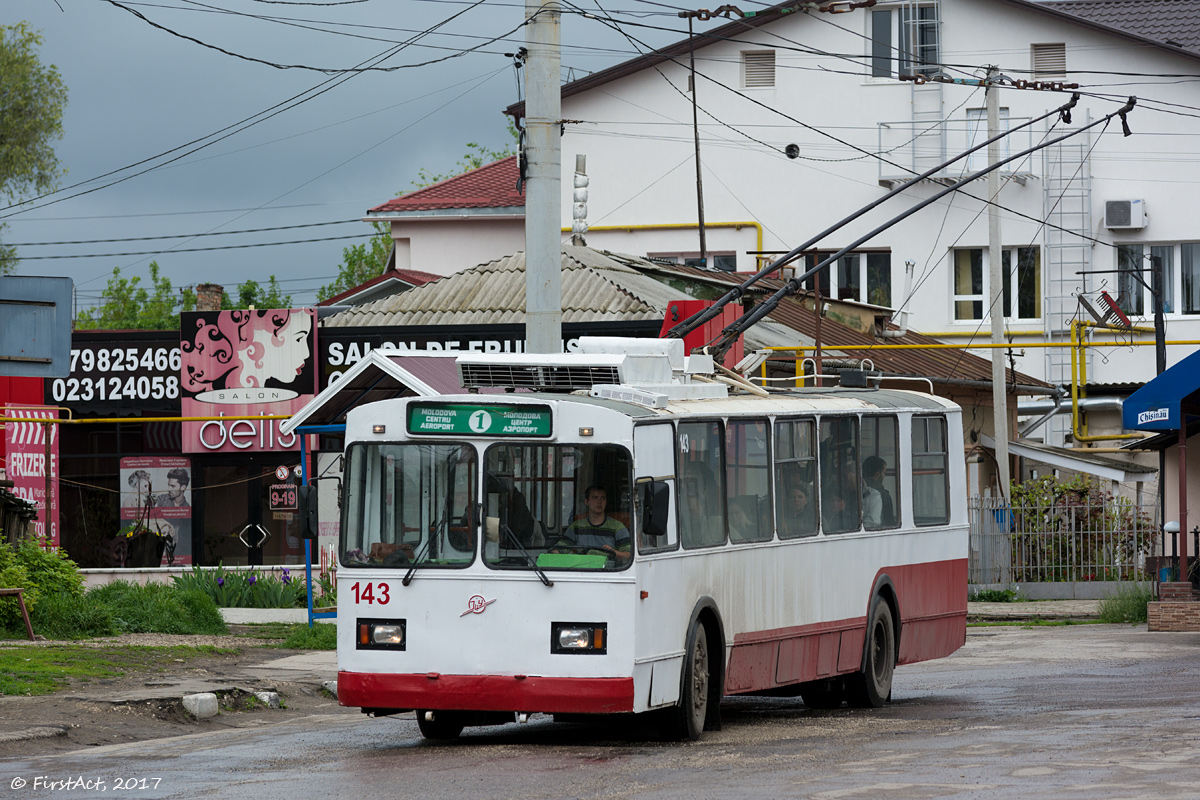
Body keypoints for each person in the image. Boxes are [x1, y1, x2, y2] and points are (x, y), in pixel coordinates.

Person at [553, 486, 631, 563]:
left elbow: (629, 555)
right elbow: (561, 548)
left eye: (603, 498)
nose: (599, 502)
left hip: (609, 572)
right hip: (580, 571)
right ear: (586, 502)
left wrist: (613, 552)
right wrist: (552, 554)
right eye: (595, 498)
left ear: (606, 502)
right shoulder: (576, 526)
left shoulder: (618, 527)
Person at [862, 456, 894, 529]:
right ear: (877, 475)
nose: (884, 476)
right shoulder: (884, 495)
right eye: (884, 473)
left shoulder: (856, 490)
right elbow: (889, 523)